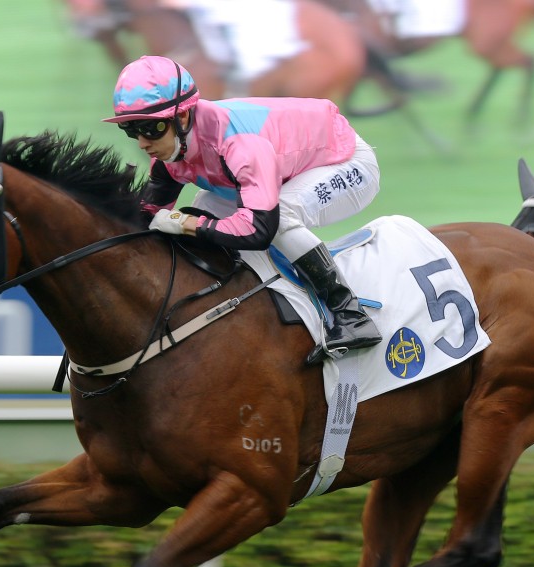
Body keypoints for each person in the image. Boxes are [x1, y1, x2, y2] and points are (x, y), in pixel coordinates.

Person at [102, 54, 383, 360]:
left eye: (150, 128)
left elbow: (258, 230)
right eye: (132, 130)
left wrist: (185, 224)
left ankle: (350, 315)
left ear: (182, 118)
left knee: (280, 217)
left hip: (344, 161)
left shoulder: (240, 145)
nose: (142, 143)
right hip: (285, 167)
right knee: (205, 204)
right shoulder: (170, 153)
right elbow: (144, 219)